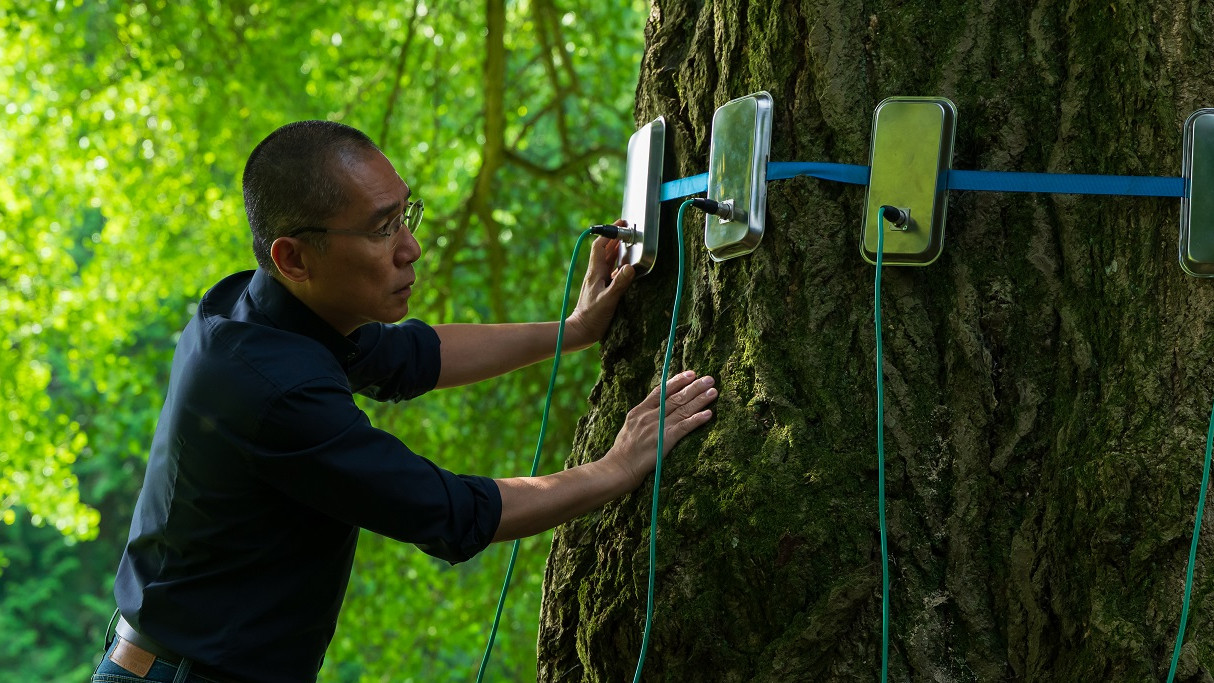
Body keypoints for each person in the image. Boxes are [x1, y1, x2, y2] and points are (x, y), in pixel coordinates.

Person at [92, 120, 718, 683]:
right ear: (293, 256)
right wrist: (615, 467)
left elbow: (413, 357)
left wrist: (574, 332)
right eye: (380, 229)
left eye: (404, 215)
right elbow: (449, 511)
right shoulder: (273, 390)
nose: (410, 247)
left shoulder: (262, 309)